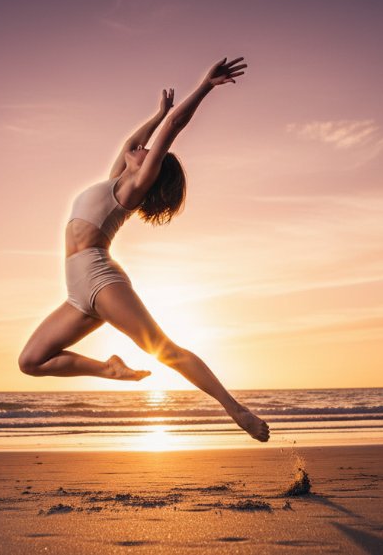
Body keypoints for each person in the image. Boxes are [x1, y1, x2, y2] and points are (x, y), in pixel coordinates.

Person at [17, 57, 269, 442]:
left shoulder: (132, 188)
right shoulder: (114, 182)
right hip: (77, 293)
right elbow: (131, 143)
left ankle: (237, 411)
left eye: (148, 153)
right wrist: (157, 114)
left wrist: (204, 86)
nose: (141, 149)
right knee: (31, 361)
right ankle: (109, 370)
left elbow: (173, 128)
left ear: (151, 169)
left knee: (164, 349)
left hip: (100, 281)